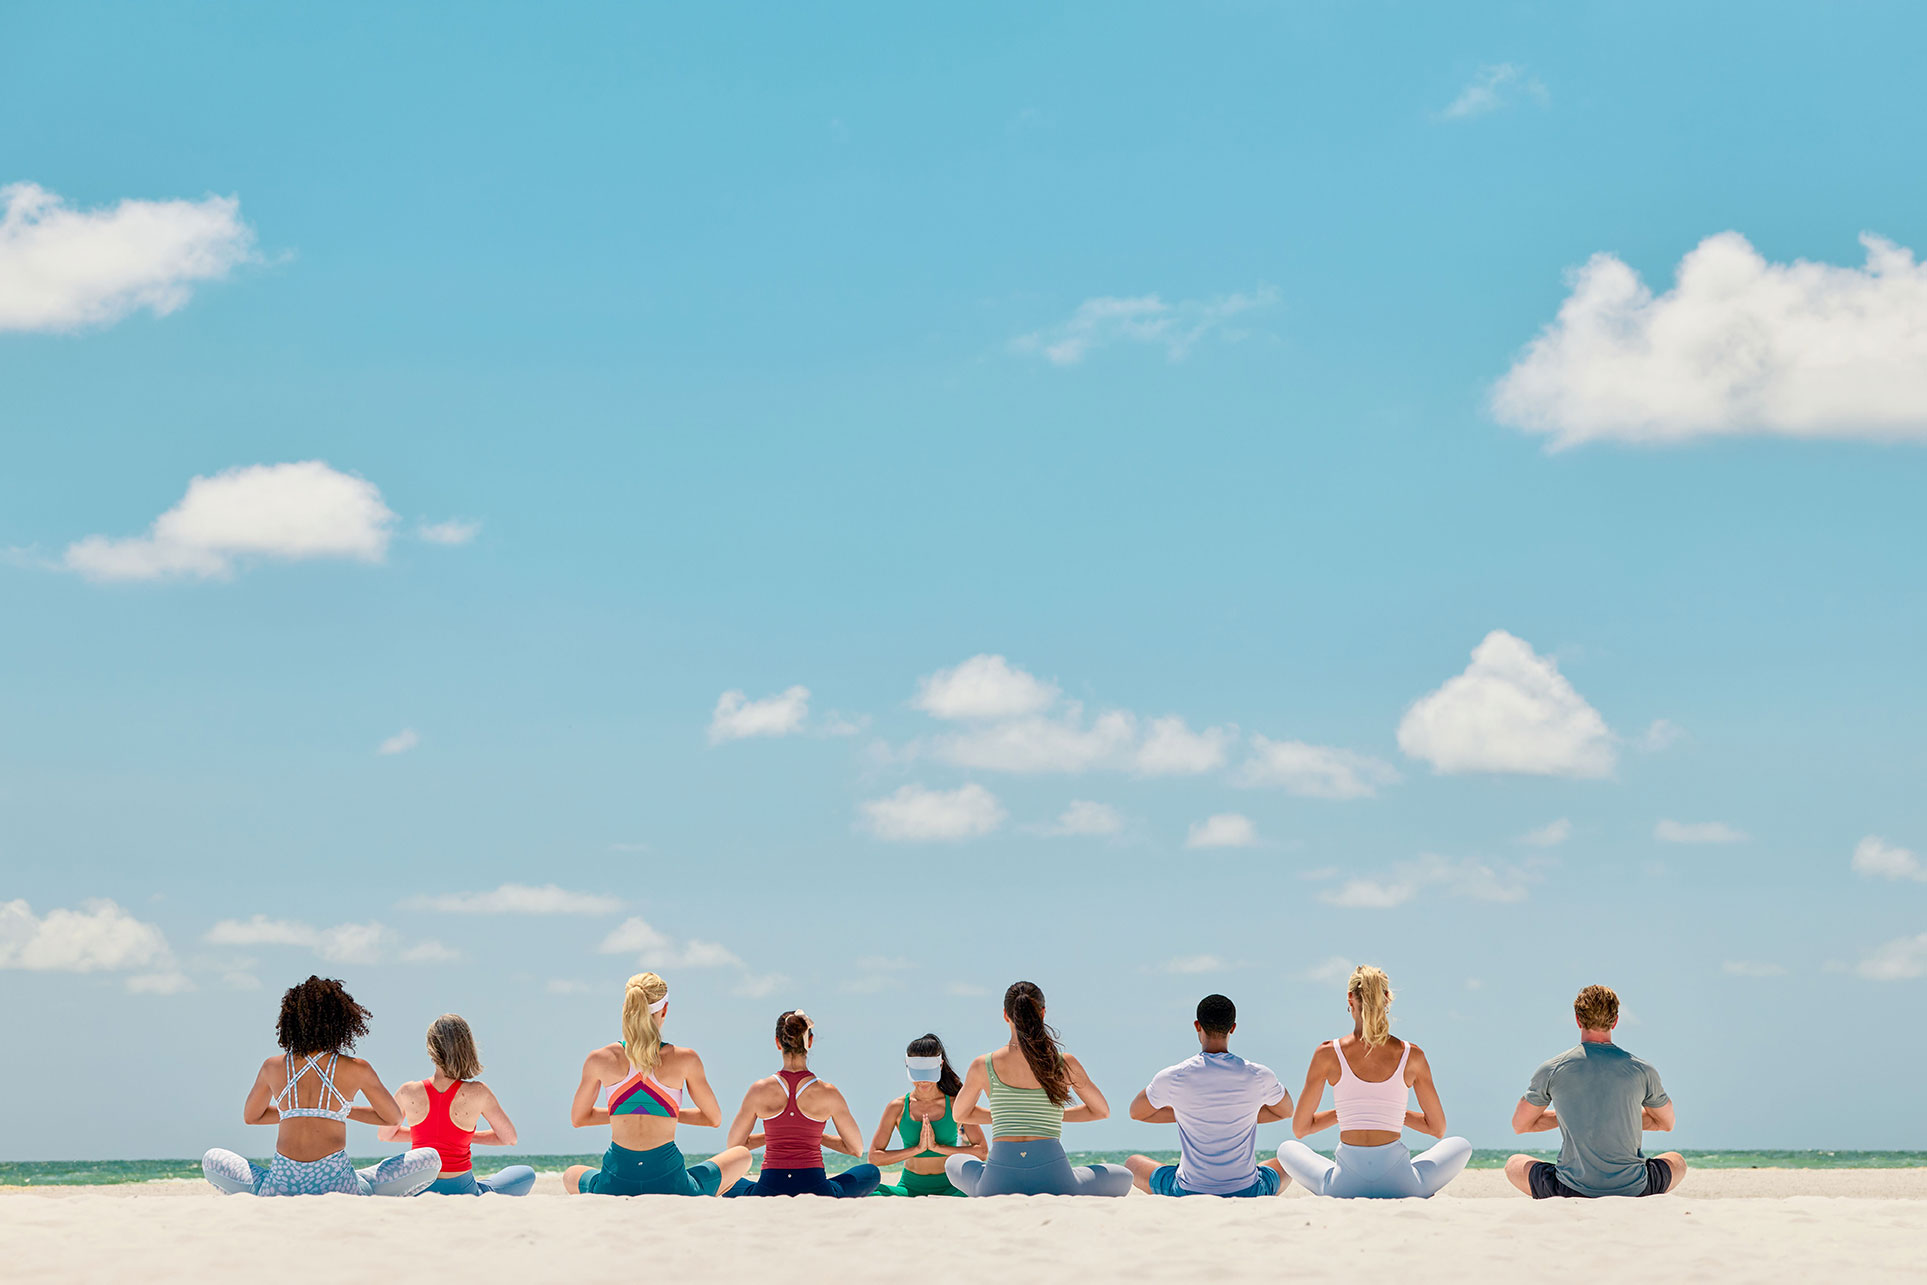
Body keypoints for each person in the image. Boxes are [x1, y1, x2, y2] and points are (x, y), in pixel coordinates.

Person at [202, 975, 442, 1197]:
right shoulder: (357, 1068)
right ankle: (364, 1187)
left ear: (291, 1020)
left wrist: (296, 1112)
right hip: (339, 1186)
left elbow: (252, 1117)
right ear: (342, 1021)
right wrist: (339, 1110)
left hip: (280, 1185)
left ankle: (263, 1189)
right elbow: (391, 1118)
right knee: (430, 1158)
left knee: (212, 1159)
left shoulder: (272, 1067)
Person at [1274, 965, 1472, 1198]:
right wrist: (1390, 1111)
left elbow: (1301, 1128)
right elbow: (1437, 1129)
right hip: (1403, 1185)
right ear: (1387, 998)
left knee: (1286, 1149)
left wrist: (1350, 1110)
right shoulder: (1412, 1055)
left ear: (1350, 998)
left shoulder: (1327, 1053)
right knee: (1461, 1144)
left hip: (1341, 1186)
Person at [562, 972, 754, 1196]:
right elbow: (713, 1119)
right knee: (742, 1155)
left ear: (626, 1007)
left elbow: (579, 1118)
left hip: (614, 1183)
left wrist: (627, 1111)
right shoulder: (685, 1059)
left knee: (571, 1174)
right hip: (671, 1183)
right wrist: (665, 1111)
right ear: (664, 1010)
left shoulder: (600, 1059)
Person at [945, 981, 1133, 1197]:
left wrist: (1008, 1116)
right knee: (1124, 1175)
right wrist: (1048, 1115)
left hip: (996, 1184)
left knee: (954, 1162)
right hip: (1056, 1181)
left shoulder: (983, 1065)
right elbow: (1101, 1110)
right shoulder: (1064, 1063)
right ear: (1042, 1013)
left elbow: (960, 1114)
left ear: (1006, 1015)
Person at [1504, 984, 1687, 1199]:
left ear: (1578, 1020)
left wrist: (1571, 1117)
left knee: (1513, 1163)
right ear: (1616, 1021)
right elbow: (1667, 1123)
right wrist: (1617, 1116)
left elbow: (1520, 1124)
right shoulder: (1642, 1070)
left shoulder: (1552, 1069)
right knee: (1677, 1161)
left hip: (1570, 1189)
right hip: (1634, 1188)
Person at [1124, 994, 1293, 1197]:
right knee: (1287, 1161)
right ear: (1233, 1028)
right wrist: (1236, 1114)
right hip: (1248, 1190)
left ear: (1197, 1025)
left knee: (1132, 1162)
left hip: (1188, 1190)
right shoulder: (1258, 1074)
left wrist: (1191, 1114)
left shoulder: (1174, 1076)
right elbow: (1286, 1111)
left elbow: (1137, 1112)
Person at [724, 1010, 881, 1197]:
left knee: (725, 1179)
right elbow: (855, 1148)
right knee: (871, 1173)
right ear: (810, 1042)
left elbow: (734, 1146)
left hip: (770, 1187)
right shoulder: (828, 1092)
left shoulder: (759, 1090)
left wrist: (778, 1135)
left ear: (777, 1043)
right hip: (815, 1186)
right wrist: (814, 1136)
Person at [375, 1013, 535, 1196]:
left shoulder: (407, 1091)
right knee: (525, 1173)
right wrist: (463, 1136)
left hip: (418, 1188)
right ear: (467, 1048)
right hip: (461, 1189)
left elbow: (385, 1135)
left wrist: (430, 1138)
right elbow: (509, 1138)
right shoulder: (479, 1092)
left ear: (431, 1049)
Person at [866, 1033, 987, 1196]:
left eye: (928, 1074)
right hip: (909, 1187)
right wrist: (918, 1149)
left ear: (941, 1065)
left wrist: (938, 1148)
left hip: (951, 1187)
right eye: (918, 1074)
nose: (923, 1081)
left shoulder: (955, 1104)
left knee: (984, 1191)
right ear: (907, 1067)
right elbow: (874, 1158)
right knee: (869, 1192)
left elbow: (982, 1152)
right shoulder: (897, 1107)